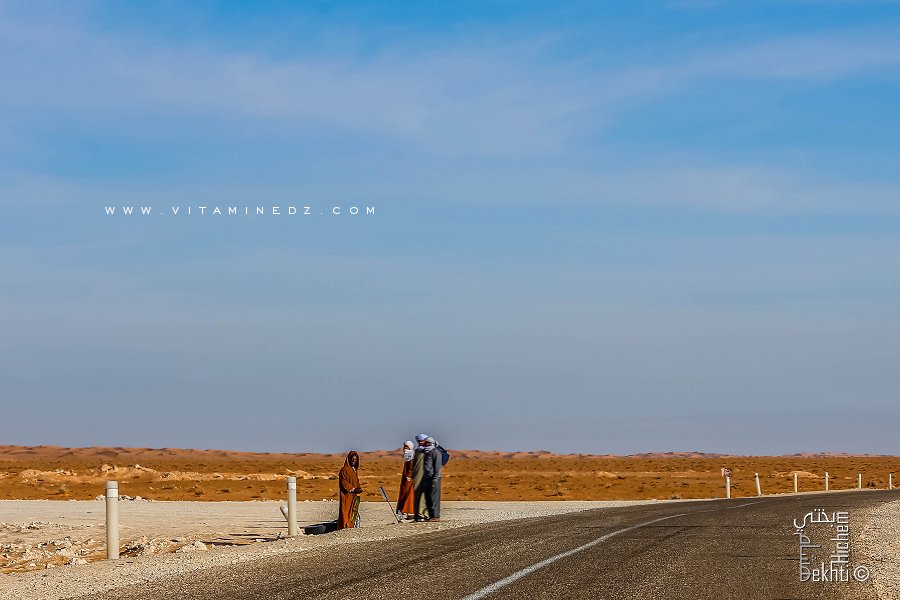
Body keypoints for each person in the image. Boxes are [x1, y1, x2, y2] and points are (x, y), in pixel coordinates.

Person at [337, 450, 363, 529]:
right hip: (346, 495)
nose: (354, 461)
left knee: (353, 511)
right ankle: (344, 527)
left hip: (354, 496)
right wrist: (353, 489)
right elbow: (343, 483)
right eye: (352, 459)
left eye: (355, 460)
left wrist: (359, 488)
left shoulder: (354, 470)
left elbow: (356, 481)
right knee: (345, 511)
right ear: (349, 459)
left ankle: (351, 526)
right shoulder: (344, 470)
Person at [423, 437, 443, 520]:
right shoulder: (425, 453)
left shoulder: (436, 453)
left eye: (429, 443)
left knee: (434, 497)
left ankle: (435, 516)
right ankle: (431, 515)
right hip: (426, 478)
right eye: (426, 443)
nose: (427, 444)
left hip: (434, 478)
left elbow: (437, 467)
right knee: (428, 497)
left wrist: (435, 479)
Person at [396, 441, 415, 520]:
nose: (404, 448)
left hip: (409, 479)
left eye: (406, 447)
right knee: (404, 493)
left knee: (409, 494)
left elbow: (411, 467)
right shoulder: (407, 455)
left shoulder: (411, 455)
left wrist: (409, 476)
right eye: (404, 447)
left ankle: (410, 511)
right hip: (406, 478)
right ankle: (404, 511)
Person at [412, 433, 429, 521]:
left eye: (422, 441)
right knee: (417, 495)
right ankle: (418, 514)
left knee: (426, 496)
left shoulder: (430, 451)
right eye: (419, 441)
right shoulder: (417, 452)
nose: (420, 442)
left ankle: (425, 514)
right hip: (417, 476)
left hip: (427, 476)